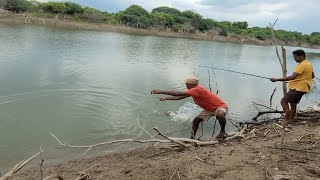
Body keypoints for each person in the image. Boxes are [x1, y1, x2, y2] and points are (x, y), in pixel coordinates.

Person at [151, 75, 228, 141]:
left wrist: (160, 91)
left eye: (186, 84)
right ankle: (192, 138)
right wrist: (166, 98)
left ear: (189, 84)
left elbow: (176, 93)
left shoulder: (198, 89)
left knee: (220, 114)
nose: (185, 85)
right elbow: (179, 97)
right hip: (209, 109)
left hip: (220, 107)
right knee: (196, 121)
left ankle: (222, 132)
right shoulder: (193, 90)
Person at [270, 49, 314, 129]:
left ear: (301, 56)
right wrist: (303, 79)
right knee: (293, 104)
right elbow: (312, 75)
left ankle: (287, 119)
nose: (294, 59)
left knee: (283, 101)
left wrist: (276, 79)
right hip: (302, 87)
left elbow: (292, 77)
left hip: (298, 88)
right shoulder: (308, 63)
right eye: (294, 57)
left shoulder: (302, 65)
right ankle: (291, 121)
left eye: (296, 57)